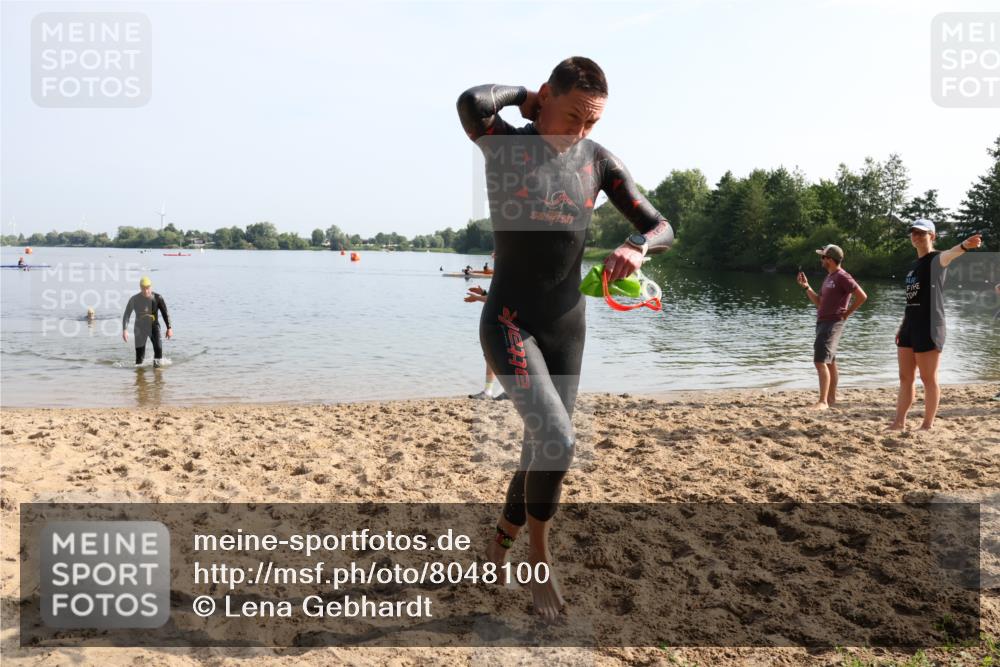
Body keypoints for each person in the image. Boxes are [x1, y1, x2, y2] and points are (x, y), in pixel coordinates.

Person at [457, 56, 674, 620]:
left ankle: (499, 545)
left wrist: (637, 246)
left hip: (567, 326)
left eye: (592, 121)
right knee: (558, 438)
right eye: (574, 115)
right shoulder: (506, 146)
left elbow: (662, 226)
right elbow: (472, 101)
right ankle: (538, 559)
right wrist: (522, 97)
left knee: (542, 447)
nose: (581, 130)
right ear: (546, 95)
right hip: (509, 321)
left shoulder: (598, 161)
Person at [888, 219, 983, 430]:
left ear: (932, 236)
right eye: (913, 232)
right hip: (909, 326)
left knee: (928, 378)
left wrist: (965, 245)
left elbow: (951, 253)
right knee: (905, 377)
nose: (916, 236)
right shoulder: (913, 266)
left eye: (921, 233)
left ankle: (927, 425)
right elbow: (912, 300)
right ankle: (899, 422)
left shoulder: (936, 259)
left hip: (930, 326)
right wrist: (902, 326)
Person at [796, 244, 867, 410]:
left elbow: (862, 296)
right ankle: (831, 398)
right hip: (823, 322)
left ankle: (823, 402)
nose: (821, 260)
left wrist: (846, 313)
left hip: (832, 323)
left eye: (823, 257)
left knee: (820, 361)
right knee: (830, 362)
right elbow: (819, 302)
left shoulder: (842, 276)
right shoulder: (829, 277)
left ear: (829, 259)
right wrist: (806, 287)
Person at [465, 285, 508, 401]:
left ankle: (504, 390)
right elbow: (497, 297)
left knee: (497, 357)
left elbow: (499, 300)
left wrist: (478, 297)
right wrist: (483, 292)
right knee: (491, 357)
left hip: (505, 322)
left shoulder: (514, 278)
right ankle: (490, 390)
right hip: (500, 321)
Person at [122, 276, 173, 367]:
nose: (146, 291)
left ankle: (157, 370)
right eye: (143, 288)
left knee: (158, 348)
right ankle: (140, 373)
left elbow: (165, 313)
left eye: (148, 288)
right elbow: (127, 314)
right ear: (140, 287)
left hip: (154, 326)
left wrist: (169, 328)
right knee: (139, 357)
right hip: (139, 328)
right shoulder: (134, 299)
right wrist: (125, 330)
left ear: (151, 287)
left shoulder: (157, 298)